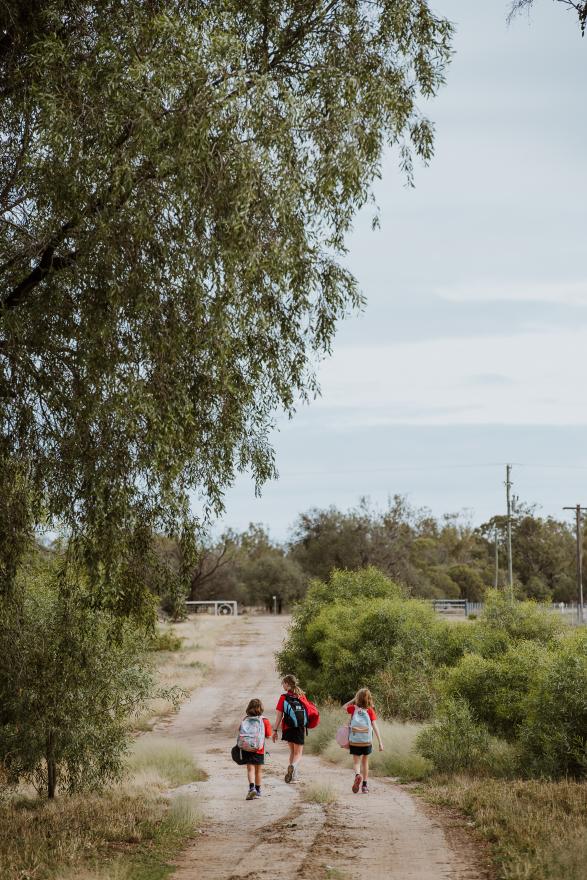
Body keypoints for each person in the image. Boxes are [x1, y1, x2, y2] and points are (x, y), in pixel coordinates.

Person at [343, 688, 383, 794]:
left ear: (358, 698)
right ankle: (365, 786)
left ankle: (357, 775)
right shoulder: (370, 710)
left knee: (356, 762)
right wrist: (380, 742)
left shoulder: (353, 708)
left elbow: (344, 707)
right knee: (365, 762)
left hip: (355, 740)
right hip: (366, 741)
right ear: (369, 699)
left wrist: (353, 700)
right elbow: (375, 726)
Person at [273, 673, 308, 783]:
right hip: (299, 727)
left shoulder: (283, 697)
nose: (282, 685)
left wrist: (275, 730)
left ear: (287, 684)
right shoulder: (301, 696)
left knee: (292, 752)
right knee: (298, 753)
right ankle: (293, 768)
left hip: (287, 727)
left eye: (283, 683)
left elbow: (279, 715)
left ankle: (293, 775)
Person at [236, 698, 272, 800]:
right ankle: (258, 791)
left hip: (246, 748)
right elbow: (269, 735)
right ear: (261, 708)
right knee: (258, 771)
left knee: (250, 769)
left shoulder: (245, 719)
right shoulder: (264, 720)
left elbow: (240, 730)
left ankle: (251, 789)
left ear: (249, 708)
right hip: (259, 749)